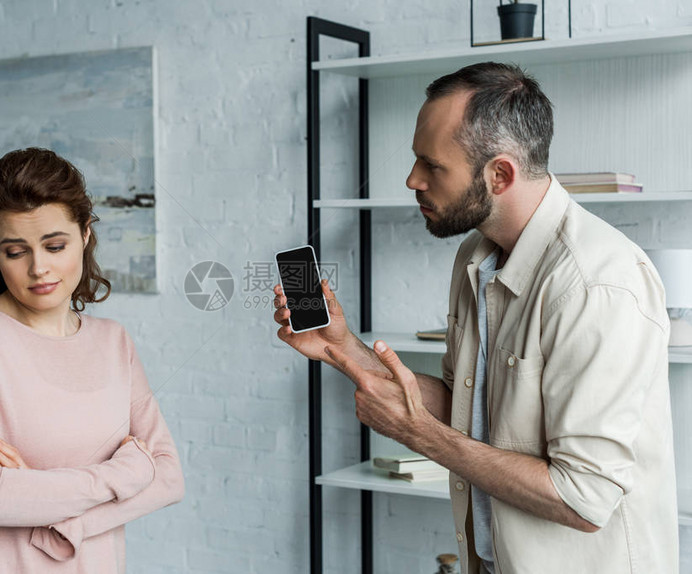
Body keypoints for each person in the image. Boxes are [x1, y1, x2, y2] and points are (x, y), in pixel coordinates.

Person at [273, 62, 678, 573]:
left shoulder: (597, 284)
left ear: (500, 174)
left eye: (431, 165)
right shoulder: (475, 256)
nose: (412, 179)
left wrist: (418, 435)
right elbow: (465, 408)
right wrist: (340, 345)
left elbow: (584, 498)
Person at [0, 147, 184, 573]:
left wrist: (59, 517)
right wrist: (121, 475)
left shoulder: (114, 341)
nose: (39, 268)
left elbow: (167, 477)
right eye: (16, 251)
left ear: (85, 233)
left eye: (55, 246)